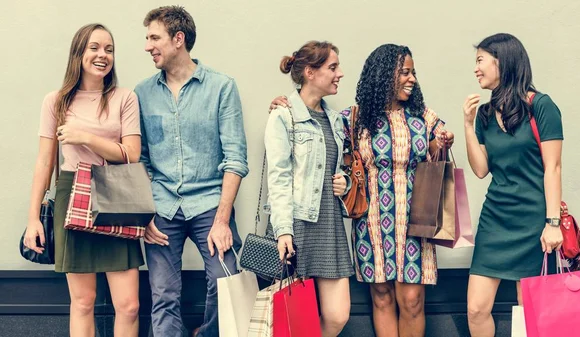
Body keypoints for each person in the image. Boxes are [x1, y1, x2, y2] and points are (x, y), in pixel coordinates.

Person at [270, 44, 454, 337]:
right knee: (381, 297)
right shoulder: (353, 119)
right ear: (384, 76)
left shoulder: (425, 117)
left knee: (412, 300)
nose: (412, 79)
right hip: (371, 222)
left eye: (413, 73)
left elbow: (435, 154)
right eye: (404, 72)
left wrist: (443, 141)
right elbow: (315, 122)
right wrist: (285, 105)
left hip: (414, 221)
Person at [134, 6, 248, 337]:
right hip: (162, 207)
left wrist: (223, 220)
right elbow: (139, 159)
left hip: (210, 204)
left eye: (154, 37)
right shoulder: (142, 93)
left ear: (178, 39)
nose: (147, 46)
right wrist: (145, 214)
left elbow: (235, 158)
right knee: (164, 294)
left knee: (225, 280)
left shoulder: (222, 87)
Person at [24, 23, 144, 337]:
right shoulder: (56, 101)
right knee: (83, 301)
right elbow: (43, 162)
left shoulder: (124, 97)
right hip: (71, 193)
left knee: (129, 304)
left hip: (116, 193)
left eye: (109, 49)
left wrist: (85, 137)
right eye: (94, 47)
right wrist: (33, 218)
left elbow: (131, 153)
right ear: (79, 52)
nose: (102, 55)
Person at [463, 33, 564, 337]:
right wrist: (467, 125)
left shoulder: (542, 106)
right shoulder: (483, 114)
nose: (476, 69)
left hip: (535, 220)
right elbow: (481, 170)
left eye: (480, 60)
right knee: (476, 309)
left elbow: (553, 168)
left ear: (502, 61)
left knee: (531, 311)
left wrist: (552, 222)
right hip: (496, 218)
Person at [264, 41, 354, 336]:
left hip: (328, 224)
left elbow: (339, 166)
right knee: (293, 320)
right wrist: (283, 230)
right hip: (296, 224)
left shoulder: (336, 120)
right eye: (332, 67)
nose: (340, 73)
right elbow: (278, 178)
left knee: (338, 314)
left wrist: (344, 182)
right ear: (310, 72)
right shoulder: (283, 116)